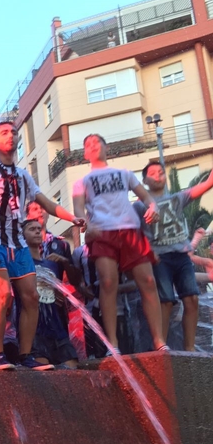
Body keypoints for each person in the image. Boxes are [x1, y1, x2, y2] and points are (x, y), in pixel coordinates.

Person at [0, 121, 84, 370]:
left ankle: (26, 355)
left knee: (31, 296)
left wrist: (72, 218)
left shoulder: (23, 175)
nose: (10, 136)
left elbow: (46, 203)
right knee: (2, 295)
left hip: (19, 244)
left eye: (13, 132)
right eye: (4, 133)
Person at [72, 133, 168, 354]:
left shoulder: (124, 173)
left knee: (148, 280)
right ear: (85, 153)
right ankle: (112, 344)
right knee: (108, 283)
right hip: (102, 231)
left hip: (129, 229)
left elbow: (146, 197)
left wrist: (153, 207)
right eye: (88, 144)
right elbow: (78, 209)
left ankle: (159, 340)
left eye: (98, 142)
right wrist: (84, 223)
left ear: (107, 148)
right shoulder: (81, 182)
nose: (94, 146)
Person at [136, 162, 213, 351]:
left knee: (192, 299)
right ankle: (160, 345)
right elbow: (134, 232)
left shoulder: (179, 198)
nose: (158, 176)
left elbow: (206, 184)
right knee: (166, 301)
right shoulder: (139, 206)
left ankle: (189, 348)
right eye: (152, 173)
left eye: (161, 172)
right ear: (145, 180)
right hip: (160, 258)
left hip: (181, 256)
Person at [24, 219, 79, 368]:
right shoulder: (21, 264)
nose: (37, 231)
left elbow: (75, 282)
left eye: (38, 228)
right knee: (44, 375)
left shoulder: (52, 262)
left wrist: (66, 263)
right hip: (36, 329)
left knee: (72, 368)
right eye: (31, 229)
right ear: (22, 237)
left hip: (57, 326)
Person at [24, 200, 81, 286]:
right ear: (27, 216)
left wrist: (65, 262)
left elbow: (75, 281)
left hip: (54, 295)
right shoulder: (19, 246)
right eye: (35, 209)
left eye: (43, 208)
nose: (40, 211)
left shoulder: (62, 245)